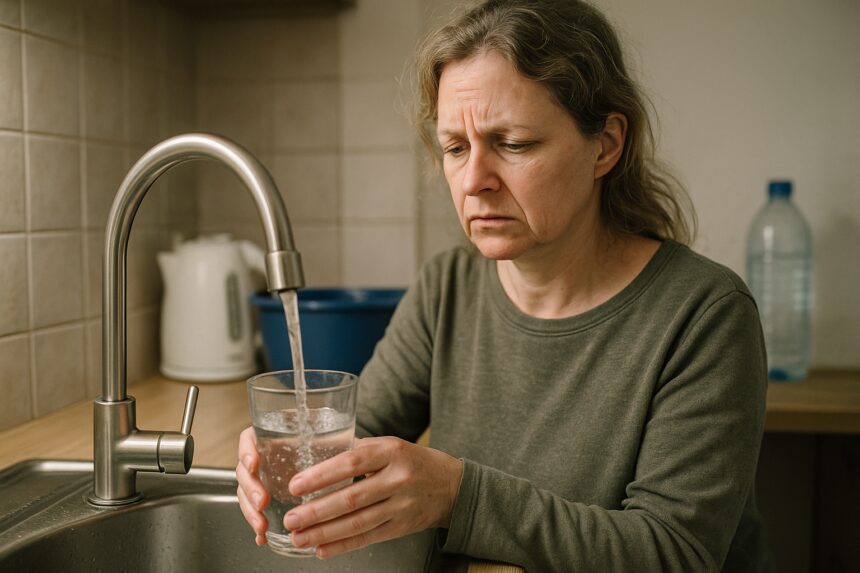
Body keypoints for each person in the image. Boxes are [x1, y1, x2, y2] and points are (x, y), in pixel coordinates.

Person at [236, 0, 771, 571]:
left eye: (513, 144)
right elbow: (360, 433)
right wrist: (296, 460)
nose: (473, 181)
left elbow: (674, 553)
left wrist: (457, 497)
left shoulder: (704, 315)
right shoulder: (449, 286)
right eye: (456, 147)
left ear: (606, 145)